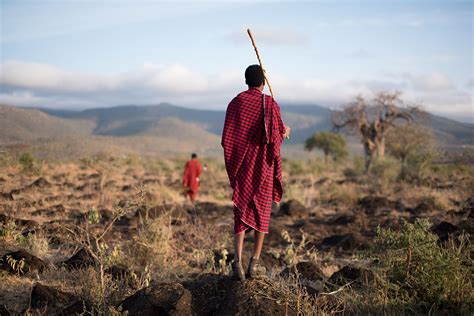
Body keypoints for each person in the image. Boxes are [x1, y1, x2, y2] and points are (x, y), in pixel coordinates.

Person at [221, 64, 290, 280]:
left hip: (243, 167)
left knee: (240, 211)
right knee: (262, 211)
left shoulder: (235, 103)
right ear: (262, 82)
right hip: (264, 168)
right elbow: (275, 138)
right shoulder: (269, 103)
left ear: (246, 81)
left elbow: (228, 139)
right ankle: (255, 263)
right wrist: (284, 131)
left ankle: (237, 264)